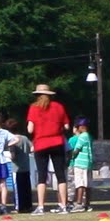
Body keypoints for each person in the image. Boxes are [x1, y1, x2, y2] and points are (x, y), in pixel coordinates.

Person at [26, 84, 71, 214]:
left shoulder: (33, 108)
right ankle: (63, 205)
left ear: (37, 95)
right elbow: (67, 126)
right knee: (60, 175)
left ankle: (41, 206)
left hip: (41, 144)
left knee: (42, 176)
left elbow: (30, 129)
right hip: (57, 142)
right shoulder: (58, 107)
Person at [67, 118, 94, 212]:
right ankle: (87, 204)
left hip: (80, 163)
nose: (77, 129)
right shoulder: (89, 136)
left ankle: (79, 204)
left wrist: (70, 156)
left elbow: (77, 149)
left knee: (80, 184)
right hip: (88, 163)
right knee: (88, 184)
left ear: (81, 127)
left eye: (78, 127)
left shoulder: (82, 136)